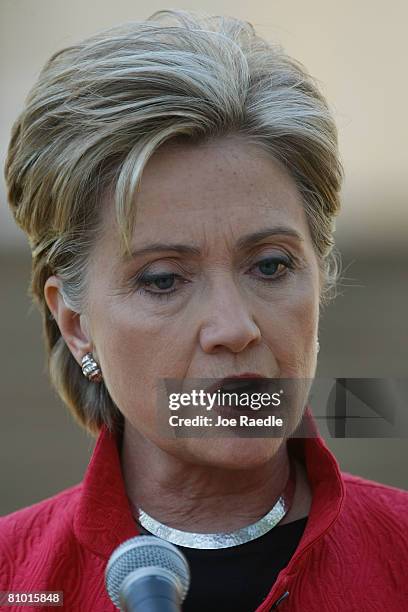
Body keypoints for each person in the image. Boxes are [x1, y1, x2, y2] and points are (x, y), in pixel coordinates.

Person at [1, 8, 407, 611]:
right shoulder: (15, 576)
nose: (235, 328)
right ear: (76, 325)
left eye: (270, 266)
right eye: (163, 280)